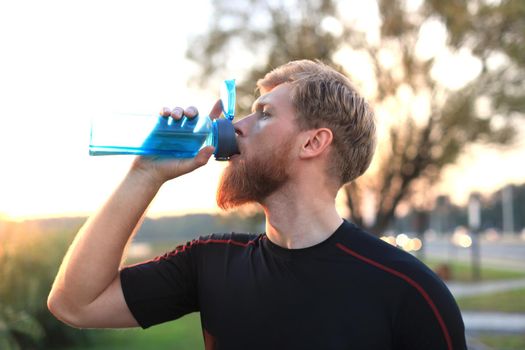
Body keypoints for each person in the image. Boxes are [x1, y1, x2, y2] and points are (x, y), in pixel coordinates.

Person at [48, 59, 467, 349]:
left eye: (263, 113)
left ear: (313, 142)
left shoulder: (410, 291)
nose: (234, 126)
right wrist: (144, 175)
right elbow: (74, 304)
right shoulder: (210, 263)